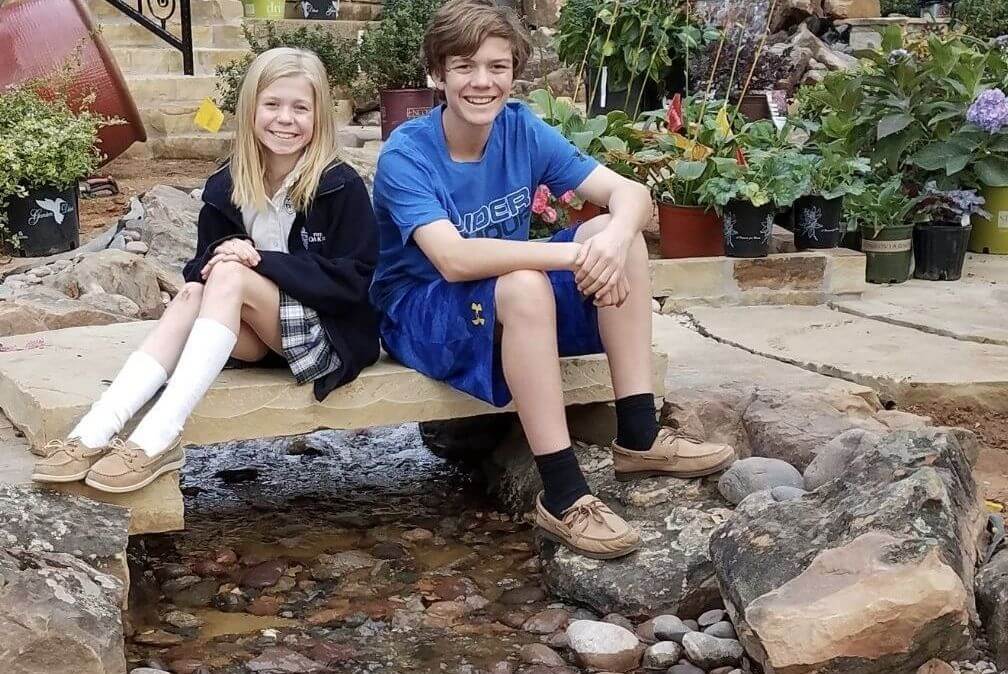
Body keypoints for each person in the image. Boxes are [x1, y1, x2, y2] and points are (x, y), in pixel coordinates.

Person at [370, 0, 736, 560]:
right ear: (436, 73)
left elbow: (631, 194)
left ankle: (639, 435)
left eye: (497, 66)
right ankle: (564, 494)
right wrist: (571, 261)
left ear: (514, 72)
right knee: (526, 281)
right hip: (422, 311)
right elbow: (453, 260)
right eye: (464, 66)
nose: (482, 81)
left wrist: (611, 243)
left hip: (508, 295)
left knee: (619, 234)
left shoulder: (522, 129)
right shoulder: (407, 154)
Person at [32, 47, 380, 493]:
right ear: (251, 108)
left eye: (300, 108)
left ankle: (158, 437)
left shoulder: (339, 186)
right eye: (272, 105)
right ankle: (95, 429)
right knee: (195, 292)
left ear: (320, 117)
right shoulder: (228, 184)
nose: (285, 119)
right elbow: (198, 266)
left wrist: (257, 259)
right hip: (257, 337)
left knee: (231, 273)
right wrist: (226, 251)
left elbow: (354, 283)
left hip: (327, 336)